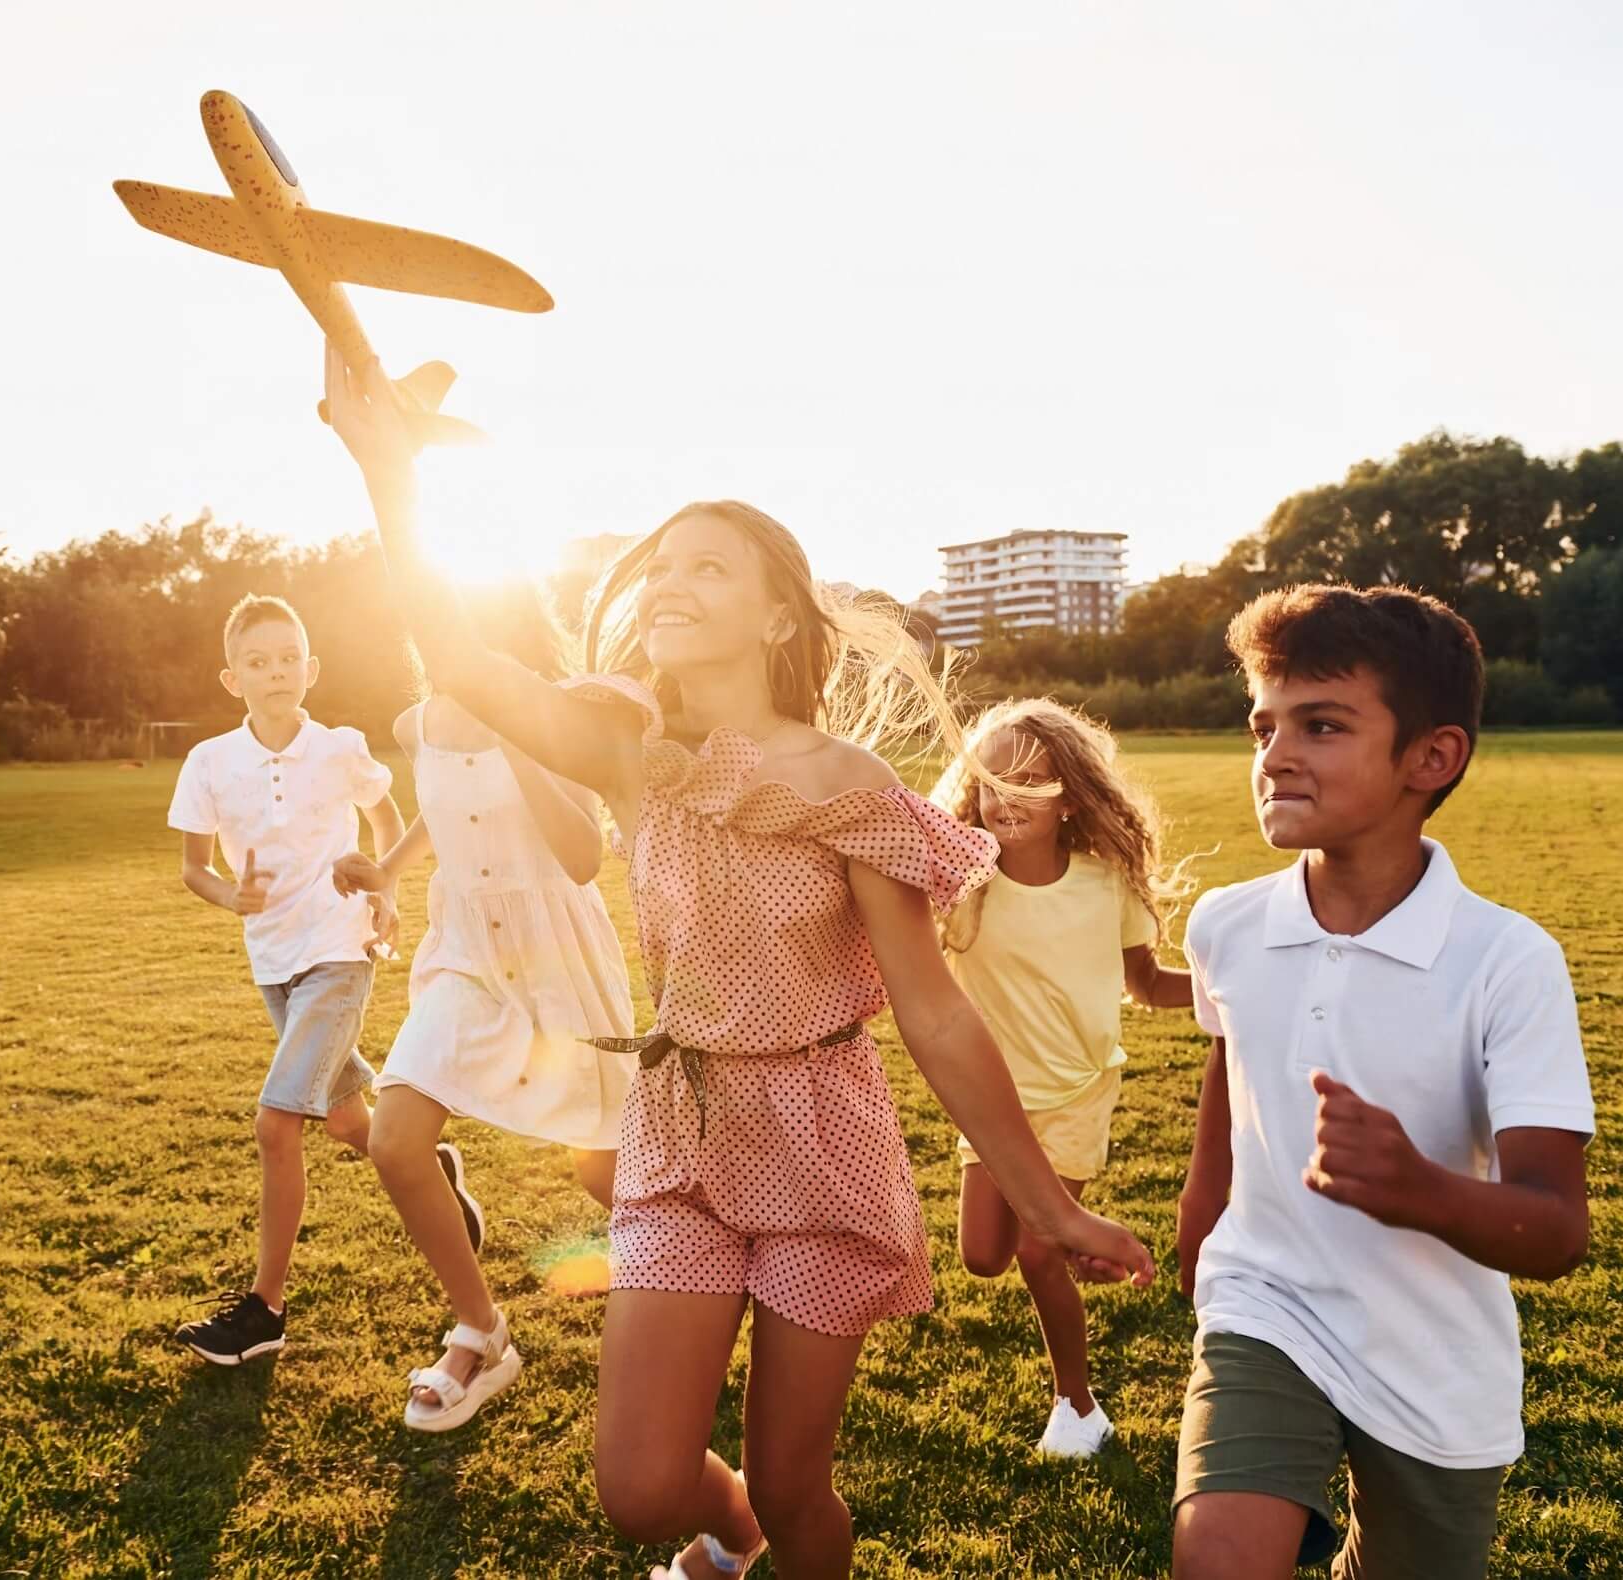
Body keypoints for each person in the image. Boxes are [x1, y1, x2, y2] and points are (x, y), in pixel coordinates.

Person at [324, 344, 1152, 1580]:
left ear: (775, 612)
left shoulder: (849, 789)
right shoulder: (623, 742)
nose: (671, 582)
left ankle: (788, 1539)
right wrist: (386, 470)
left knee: (792, 1474)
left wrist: (1046, 1198)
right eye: (661, 565)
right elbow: (460, 658)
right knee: (644, 1485)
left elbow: (931, 1013)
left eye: (707, 565)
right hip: (682, 1127)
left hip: (822, 1136)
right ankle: (740, 1542)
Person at [1171, 585, 1596, 1580]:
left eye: (1320, 724)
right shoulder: (1226, 923)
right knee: (1216, 1561)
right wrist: (1203, 1200)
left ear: (1431, 757)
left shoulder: (1507, 959)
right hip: (1265, 1301)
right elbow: (1232, 1051)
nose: (1275, 754)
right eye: (1262, 726)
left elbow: (1558, 1225)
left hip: (1434, 1355)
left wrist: (1418, 1185)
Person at [330, 579, 638, 1432]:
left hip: (559, 958)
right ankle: (482, 1330)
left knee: (603, 1169)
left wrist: (519, 733)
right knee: (395, 1140)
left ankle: (706, 1284)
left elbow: (581, 857)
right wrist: (387, 869)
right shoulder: (415, 723)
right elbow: (442, 806)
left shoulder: (556, 719)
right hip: (466, 953)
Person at [166, 593, 458, 1366]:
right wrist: (233, 895)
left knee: (275, 1124)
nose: (277, 673)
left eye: (290, 658)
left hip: (339, 949)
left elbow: (387, 817)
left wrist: (384, 889)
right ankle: (433, 1168)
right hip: (274, 960)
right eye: (259, 663)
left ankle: (264, 1311)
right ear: (232, 679)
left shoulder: (338, 747)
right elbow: (194, 868)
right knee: (347, 1124)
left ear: (312, 667)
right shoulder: (209, 763)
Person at [930, 698, 1196, 1458]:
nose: (1008, 797)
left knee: (1037, 1252)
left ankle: (1077, 1409)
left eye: (1032, 780)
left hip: (1079, 1089)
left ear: (1070, 796)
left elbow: (1145, 985)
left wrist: (1226, 991)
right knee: (983, 1255)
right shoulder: (960, 889)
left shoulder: (1104, 884)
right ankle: (1090, 1251)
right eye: (991, 781)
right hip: (991, 1101)